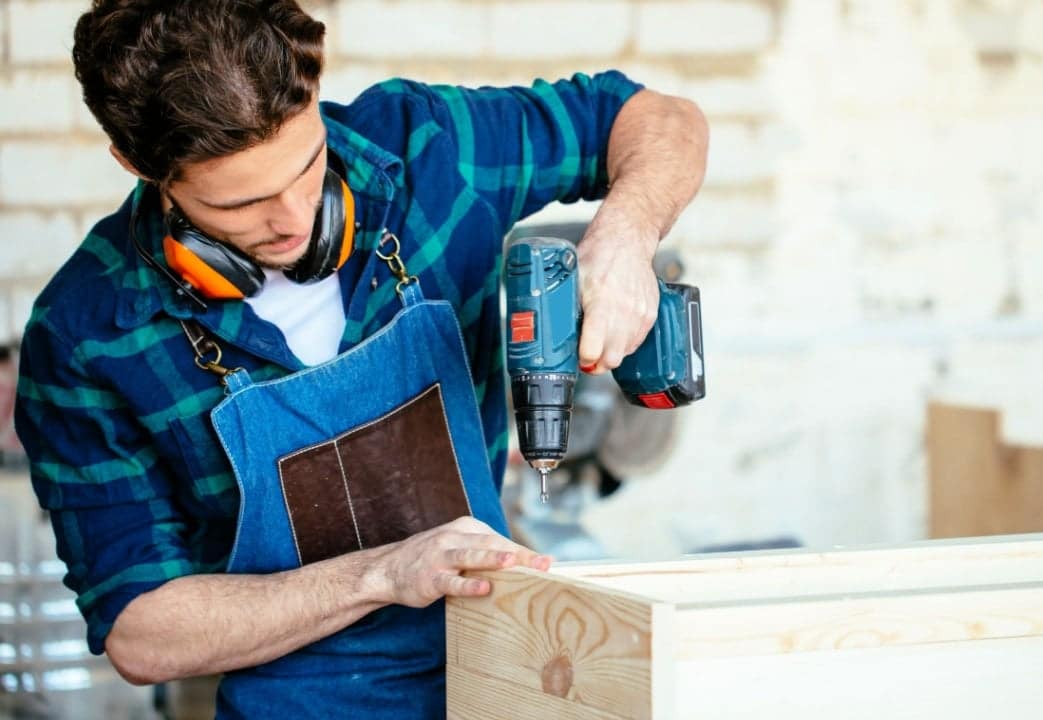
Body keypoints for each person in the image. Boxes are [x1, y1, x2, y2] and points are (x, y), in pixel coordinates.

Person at [13, 1, 708, 717]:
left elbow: (660, 118)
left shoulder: (424, 153)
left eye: (308, 165)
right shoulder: (87, 333)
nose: (293, 219)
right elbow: (141, 632)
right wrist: (382, 574)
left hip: (500, 670)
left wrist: (625, 236)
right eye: (241, 204)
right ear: (138, 165)